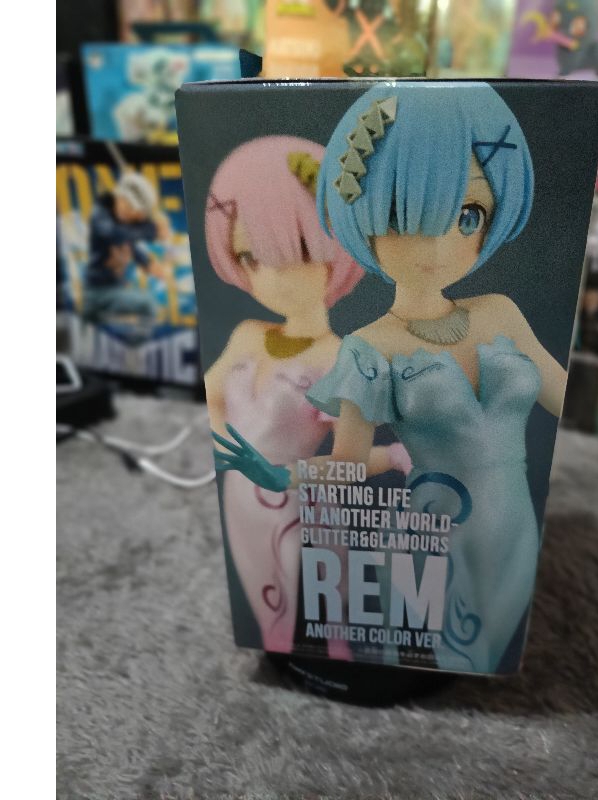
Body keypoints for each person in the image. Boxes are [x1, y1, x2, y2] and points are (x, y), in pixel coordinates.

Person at [213, 84, 568, 674]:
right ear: (361, 216)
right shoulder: (368, 348)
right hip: (435, 536)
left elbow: (561, 394)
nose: (434, 244)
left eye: (467, 215)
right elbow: (348, 465)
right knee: (438, 656)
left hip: (516, 529)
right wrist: (280, 475)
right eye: (402, 215)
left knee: (490, 651)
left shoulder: (500, 314)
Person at [205, 136, 409, 657]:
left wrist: (392, 457)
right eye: (250, 256)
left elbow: (349, 460)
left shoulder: (341, 357)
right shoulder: (248, 335)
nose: (273, 276)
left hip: (300, 503)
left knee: (327, 619)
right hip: (239, 499)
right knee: (267, 615)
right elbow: (211, 393)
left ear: (335, 249)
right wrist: (224, 445)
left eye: (295, 249)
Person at [83, 172, 169, 325]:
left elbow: (129, 243)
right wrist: (153, 230)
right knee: (148, 305)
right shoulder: (101, 215)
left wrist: (147, 263)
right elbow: (115, 235)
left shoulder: (118, 219)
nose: (131, 216)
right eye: (129, 208)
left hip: (115, 286)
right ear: (120, 198)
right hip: (98, 293)